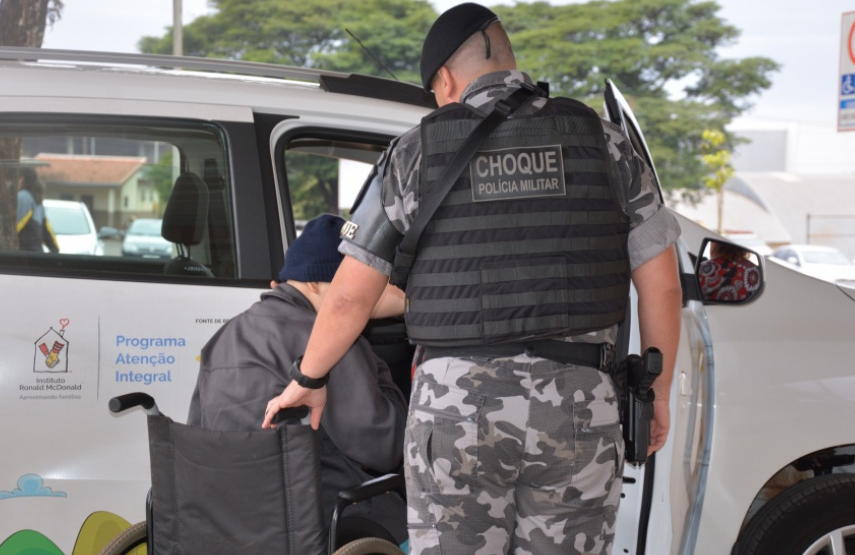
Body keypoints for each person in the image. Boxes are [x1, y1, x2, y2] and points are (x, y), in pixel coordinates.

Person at [263, 4, 682, 553]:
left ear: (444, 78)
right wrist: (656, 394)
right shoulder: (605, 143)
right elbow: (663, 285)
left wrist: (309, 378)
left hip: (455, 412)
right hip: (579, 408)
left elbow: (347, 298)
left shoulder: (413, 152)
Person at [188, 214, 409, 545]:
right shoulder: (329, 343)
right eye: (354, 284)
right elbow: (386, 447)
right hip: (325, 525)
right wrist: (380, 372)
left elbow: (199, 433)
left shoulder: (224, 336)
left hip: (233, 525)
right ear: (316, 282)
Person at [16, 167, 59, 253]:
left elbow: (14, 226)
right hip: (36, 253)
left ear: (22, 178)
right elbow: (46, 230)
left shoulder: (22, 197)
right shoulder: (37, 200)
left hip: (23, 253)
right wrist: (55, 250)